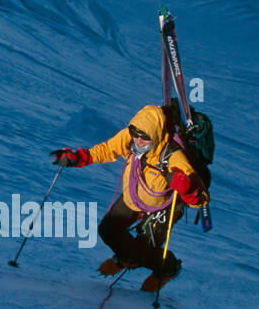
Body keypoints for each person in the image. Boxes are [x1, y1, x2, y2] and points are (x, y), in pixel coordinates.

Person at [50, 104, 209, 291]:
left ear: (156, 136)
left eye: (145, 138)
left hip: (162, 208)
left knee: (142, 252)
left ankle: (167, 268)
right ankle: (126, 258)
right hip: (134, 197)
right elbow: (107, 149)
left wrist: (187, 189)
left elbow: (201, 198)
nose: (138, 141)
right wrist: (79, 158)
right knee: (108, 229)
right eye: (136, 134)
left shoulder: (173, 155)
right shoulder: (131, 137)